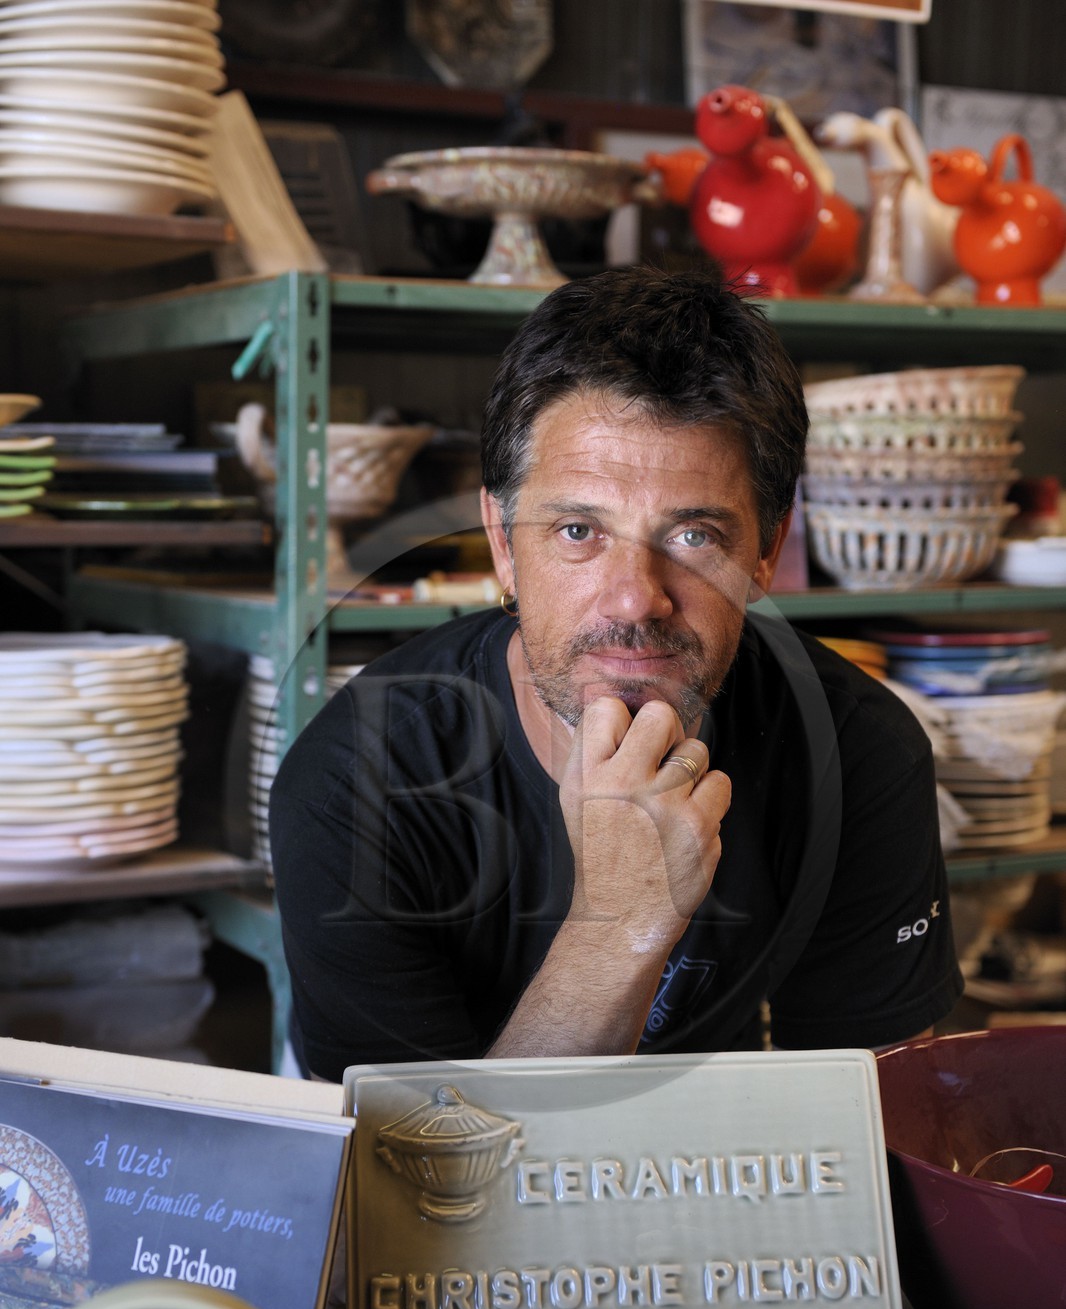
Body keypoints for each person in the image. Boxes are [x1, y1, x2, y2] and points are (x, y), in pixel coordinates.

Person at [270, 262, 962, 1082]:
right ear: (502, 540)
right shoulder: (357, 779)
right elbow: (417, 1186)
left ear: (768, 551)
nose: (637, 600)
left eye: (695, 536)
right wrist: (618, 928)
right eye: (575, 531)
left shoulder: (858, 753)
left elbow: (873, 1129)